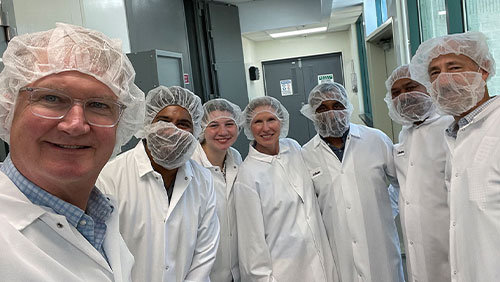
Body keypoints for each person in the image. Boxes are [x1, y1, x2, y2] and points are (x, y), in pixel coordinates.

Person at [0, 23, 145, 281]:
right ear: (9, 107)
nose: (76, 124)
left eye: (99, 104)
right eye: (51, 98)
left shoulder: (100, 217)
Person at [96, 85, 219, 282]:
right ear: (147, 124)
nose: (172, 130)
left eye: (184, 123)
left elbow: (205, 251)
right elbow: (103, 252)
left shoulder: (203, 179)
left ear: (195, 132)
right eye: (164, 121)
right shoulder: (110, 176)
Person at [410, 31, 499, 282]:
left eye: (454, 67)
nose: (444, 80)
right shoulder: (455, 134)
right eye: (434, 73)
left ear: (484, 70)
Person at [300, 82, 404, 282]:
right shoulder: (306, 154)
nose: (331, 113)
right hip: (337, 251)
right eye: (322, 108)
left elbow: (402, 183)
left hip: (380, 247)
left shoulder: (376, 140)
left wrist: (385, 210)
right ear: (312, 114)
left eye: (337, 106)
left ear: (347, 107)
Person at [234, 96, 338, 282]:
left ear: (281, 121)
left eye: (271, 120)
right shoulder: (247, 175)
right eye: (258, 121)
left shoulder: (294, 148)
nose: (266, 128)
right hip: (284, 272)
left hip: (321, 263)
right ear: (249, 127)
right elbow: (252, 244)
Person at [385, 64, 453, 282]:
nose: (404, 97)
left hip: (450, 246)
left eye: (410, 87)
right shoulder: (405, 136)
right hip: (417, 249)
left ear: (429, 88)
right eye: (396, 93)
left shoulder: (451, 127)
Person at [191, 98, 244, 282]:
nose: (223, 132)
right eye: (214, 125)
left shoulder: (236, 158)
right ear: (202, 129)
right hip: (203, 273)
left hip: (236, 271)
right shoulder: (190, 166)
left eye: (229, 124)